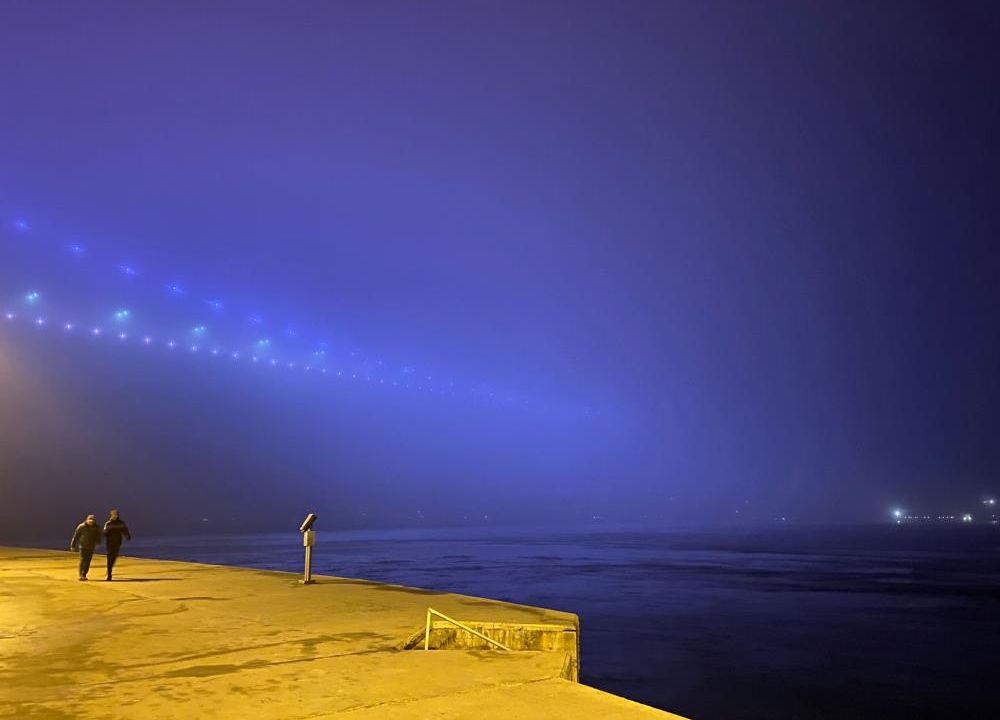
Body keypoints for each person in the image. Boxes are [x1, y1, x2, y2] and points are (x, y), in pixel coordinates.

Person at [70, 514, 102, 581]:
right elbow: (76, 536)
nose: (91, 521)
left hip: (91, 547)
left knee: (88, 561)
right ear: (87, 520)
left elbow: (98, 536)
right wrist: (73, 545)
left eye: (92, 520)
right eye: (90, 520)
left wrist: (98, 543)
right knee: (83, 559)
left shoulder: (96, 527)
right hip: (83, 546)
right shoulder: (81, 526)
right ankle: (81, 575)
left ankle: (84, 574)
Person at [103, 509, 132, 581]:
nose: (114, 516)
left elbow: (125, 530)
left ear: (117, 515)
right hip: (109, 543)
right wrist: (106, 531)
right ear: (111, 515)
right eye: (113, 515)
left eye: (115, 514)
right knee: (109, 558)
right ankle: (109, 574)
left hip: (117, 542)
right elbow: (104, 533)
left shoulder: (121, 523)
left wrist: (127, 536)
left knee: (114, 558)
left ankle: (110, 569)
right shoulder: (108, 523)